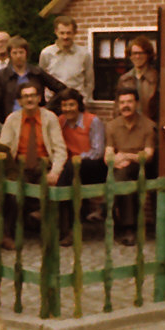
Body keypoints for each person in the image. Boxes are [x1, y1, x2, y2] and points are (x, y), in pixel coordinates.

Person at [1, 81, 68, 228]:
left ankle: (49, 229)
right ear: (19, 101)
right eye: (25, 97)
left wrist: (55, 172)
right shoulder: (12, 120)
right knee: (12, 192)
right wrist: (9, 171)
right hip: (19, 166)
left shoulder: (50, 118)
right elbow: (3, 149)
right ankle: (8, 233)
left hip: (43, 165)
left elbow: (60, 149)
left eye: (32, 95)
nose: (29, 99)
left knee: (52, 187)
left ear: (39, 98)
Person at [104, 89, 156, 246]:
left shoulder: (148, 125)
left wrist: (127, 156)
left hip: (142, 167)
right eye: (122, 102)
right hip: (121, 167)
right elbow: (107, 156)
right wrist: (117, 160)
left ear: (137, 104)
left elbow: (148, 155)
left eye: (129, 102)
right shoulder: (112, 126)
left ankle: (122, 224)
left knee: (121, 176)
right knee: (122, 175)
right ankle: (127, 227)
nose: (125, 106)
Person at [56, 88, 106, 244]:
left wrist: (78, 159)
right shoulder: (60, 122)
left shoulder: (92, 121)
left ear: (78, 105)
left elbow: (98, 152)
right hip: (70, 170)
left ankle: (56, 204)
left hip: (93, 167)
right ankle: (68, 230)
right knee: (70, 180)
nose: (68, 109)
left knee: (71, 169)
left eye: (71, 105)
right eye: (64, 105)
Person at [0, 37, 62, 121]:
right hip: (12, 120)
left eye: (21, 52)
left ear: (26, 53)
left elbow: (61, 89)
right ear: (10, 55)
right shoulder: (1, 75)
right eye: (15, 53)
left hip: (37, 118)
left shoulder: (37, 73)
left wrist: (49, 107)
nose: (18, 56)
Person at [39, 15, 93, 107]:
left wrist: (84, 100)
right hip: (53, 104)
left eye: (69, 33)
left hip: (76, 104)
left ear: (74, 33)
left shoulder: (84, 54)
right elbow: (40, 81)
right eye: (62, 33)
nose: (65, 37)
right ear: (56, 32)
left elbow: (89, 82)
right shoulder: (46, 54)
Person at [117, 36, 159, 120]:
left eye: (141, 53)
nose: (137, 57)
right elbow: (117, 109)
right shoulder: (124, 79)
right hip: (129, 128)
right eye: (134, 53)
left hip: (150, 128)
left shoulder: (157, 78)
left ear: (148, 55)